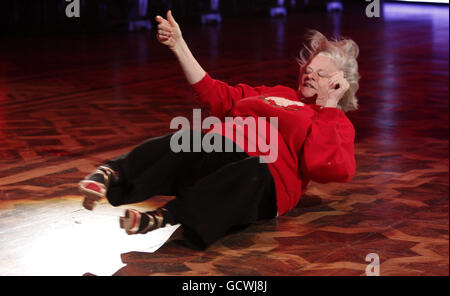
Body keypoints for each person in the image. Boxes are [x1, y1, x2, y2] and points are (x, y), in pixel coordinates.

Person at [78, 10, 360, 250]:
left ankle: (166, 215)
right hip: (221, 148)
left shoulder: (334, 121)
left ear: (339, 83)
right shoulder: (278, 92)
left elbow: (327, 167)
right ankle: (111, 174)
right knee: (186, 141)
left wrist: (330, 105)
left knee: (250, 170)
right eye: (309, 69)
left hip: (264, 180)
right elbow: (218, 95)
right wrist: (179, 45)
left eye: (321, 74)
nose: (310, 74)